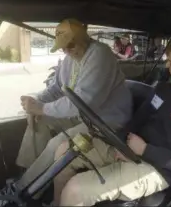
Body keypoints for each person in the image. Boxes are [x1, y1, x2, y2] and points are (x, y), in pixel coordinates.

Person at [52, 34, 171, 206]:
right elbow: (138, 119)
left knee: (75, 190)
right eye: (170, 62)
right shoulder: (163, 89)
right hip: (130, 149)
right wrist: (121, 143)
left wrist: (145, 150)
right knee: (64, 151)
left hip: (157, 170)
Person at [15, 18, 133, 190]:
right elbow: (57, 88)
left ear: (84, 40)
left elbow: (84, 101)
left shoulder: (100, 55)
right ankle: (29, 176)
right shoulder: (71, 57)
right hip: (84, 117)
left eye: (71, 45)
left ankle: (22, 191)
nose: (67, 51)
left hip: (106, 124)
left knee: (57, 144)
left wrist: (41, 108)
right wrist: (37, 102)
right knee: (39, 120)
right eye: (63, 47)